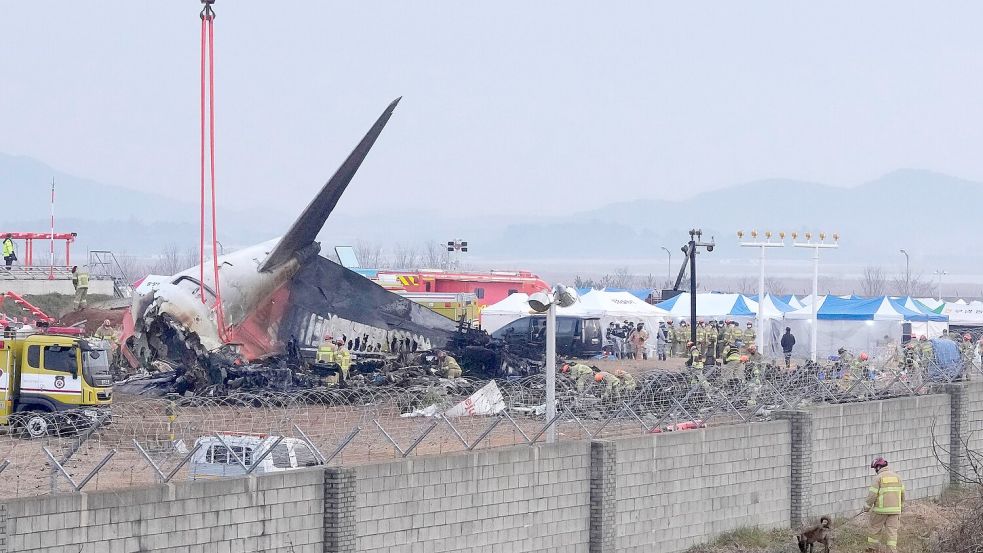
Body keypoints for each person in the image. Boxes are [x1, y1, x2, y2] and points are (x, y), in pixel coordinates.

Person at [864, 457, 904, 553]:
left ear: (878, 467)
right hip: (895, 511)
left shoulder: (878, 478)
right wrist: (900, 507)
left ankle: (872, 549)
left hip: (880, 510)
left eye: (874, 468)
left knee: (874, 529)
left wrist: (867, 507)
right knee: (892, 533)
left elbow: (872, 495)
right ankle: (892, 551)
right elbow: (902, 494)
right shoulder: (897, 477)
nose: (875, 471)